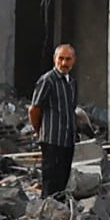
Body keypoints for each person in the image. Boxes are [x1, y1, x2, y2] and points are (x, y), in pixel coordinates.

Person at [27, 42, 82, 198]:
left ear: (74, 60)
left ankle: (59, 214)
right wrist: (40, 131)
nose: (64, 63)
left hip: (67, 140)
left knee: (63, 180)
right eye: (61, 59)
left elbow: (71, 109)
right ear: (54, 59)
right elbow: (34, 109)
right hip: (52, 140)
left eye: (68, 59)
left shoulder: (72, 83)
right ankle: (47, 213)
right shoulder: (48, 80)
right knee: (51, 181)